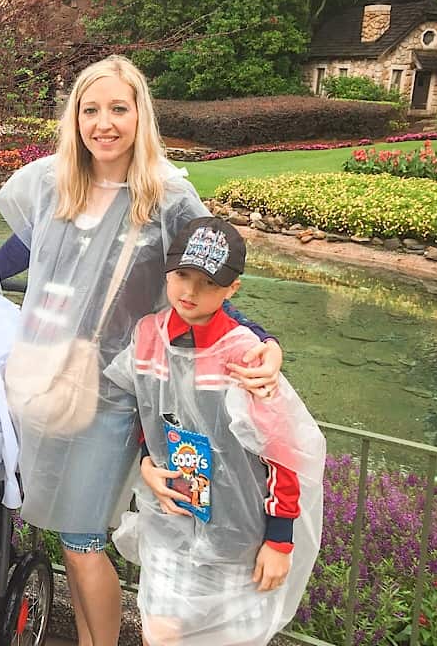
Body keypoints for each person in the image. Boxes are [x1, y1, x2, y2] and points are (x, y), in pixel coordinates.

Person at [0, 55, 284, 646]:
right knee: (71, 540)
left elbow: (207, 277)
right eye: (91, 110)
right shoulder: (52, 181)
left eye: (118, 108)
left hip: (114, 391)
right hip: (44, 380)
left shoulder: (167, 197)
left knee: (85, 541)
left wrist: (263, 341)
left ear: (140, 113)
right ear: (75, 118)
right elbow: (28, 245)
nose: (104, 123)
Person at [104, 217, 325, 646]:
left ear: (232, 288)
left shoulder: (246, 356)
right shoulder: (149, 336)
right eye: (182, 275)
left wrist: (280, 539)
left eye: (207, 282)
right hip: (173, 515)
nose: (189, 291)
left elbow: (280, 450)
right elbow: (148, 412)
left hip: (235, 534)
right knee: (160, 631)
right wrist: (148, 466)